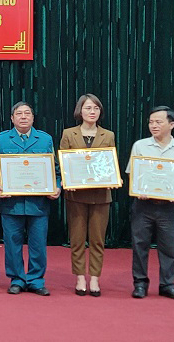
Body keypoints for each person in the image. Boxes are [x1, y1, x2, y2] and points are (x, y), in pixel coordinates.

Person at [0, 101, 60, 296]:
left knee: (38, 244)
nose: (24, 116)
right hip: (11, 203)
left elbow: (56, 170)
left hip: (38, 203)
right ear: (12, 118)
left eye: (27, 113)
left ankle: (36, 280)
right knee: (12, 243)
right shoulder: (2, 140)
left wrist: (57, 187)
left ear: (33, 118)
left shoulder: (45, 139)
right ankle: (17, 279)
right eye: (19, 114)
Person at [127, 106, 174, 301]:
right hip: (143, 206)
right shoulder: (140, 146)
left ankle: (167, 285)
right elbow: (133, 173)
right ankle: (140, 283)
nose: (153, 125)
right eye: (151, 122)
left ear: (171, 124)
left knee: (169, 248)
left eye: (158, 122)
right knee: (139, 245)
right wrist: (138, 189)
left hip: (169, 208)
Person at [59, 94, 115, 297]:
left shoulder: (108, 135)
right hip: (76, 196)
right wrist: (67, 180)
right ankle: (80, 277)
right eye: (88, 108)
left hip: (101, 195)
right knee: (77, 239)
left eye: (96, 108)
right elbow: (63, 162)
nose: (92, 112)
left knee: (98, 240)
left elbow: (110, 163)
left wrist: (113, 177)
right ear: (79, 111)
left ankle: (95, 278)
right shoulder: (68, 133)